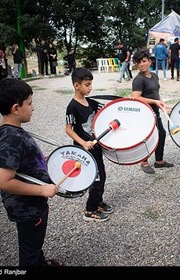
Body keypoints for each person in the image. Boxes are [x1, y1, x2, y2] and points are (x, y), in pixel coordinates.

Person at [0, 78, 64, 266]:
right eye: (30, 103)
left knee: (33, 242)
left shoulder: (5, 130)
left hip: (29, 204)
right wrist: (42, 190)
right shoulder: (11, 139)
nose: (33, 108)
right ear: (16, 108)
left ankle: (41, 262)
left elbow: (21, 161)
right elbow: (3, 181)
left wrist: (42, 160)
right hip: (27, 207)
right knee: (29, 250)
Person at [65, 67, 112, 222]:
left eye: (91, 84)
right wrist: (83, 143)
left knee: (101, 175)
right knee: (97, 177)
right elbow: (68, 129)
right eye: (87, 84)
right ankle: (90, 210)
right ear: (76, 85)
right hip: (85, 149)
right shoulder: (72, 106)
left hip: (96, 147)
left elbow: (105, 111)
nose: (90, 87)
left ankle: (97, 202)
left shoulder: (91, 102)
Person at [131, 48, 174, 174]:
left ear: (150, 61)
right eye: (139, 62)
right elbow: (136, 98)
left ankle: (159, 161)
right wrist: (155, 102)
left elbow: (155, 94)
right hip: (144, 114)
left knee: (161, 134)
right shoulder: (138, 80)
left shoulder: (154, 76)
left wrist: (163, 104)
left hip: (155, 112)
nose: (142, 64)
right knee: (147, 138)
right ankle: (144, 162)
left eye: (144, 61)